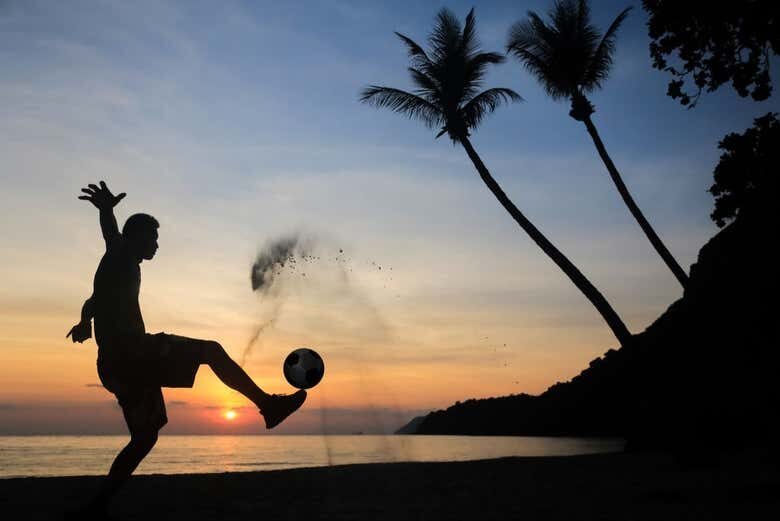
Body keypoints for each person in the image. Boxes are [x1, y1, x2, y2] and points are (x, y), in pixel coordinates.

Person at [65, 181, 306, 518]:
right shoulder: (120, 256)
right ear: (135, 238)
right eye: (153, 238)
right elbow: (111, 236)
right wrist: (107, 211)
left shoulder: (118, 270)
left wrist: (83, 322)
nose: (157, 245)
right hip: (135, 353)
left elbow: (93, 300)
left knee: (145, 438)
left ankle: (98, 505)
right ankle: (267, 406)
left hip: (115, 366)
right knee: (211, 350)